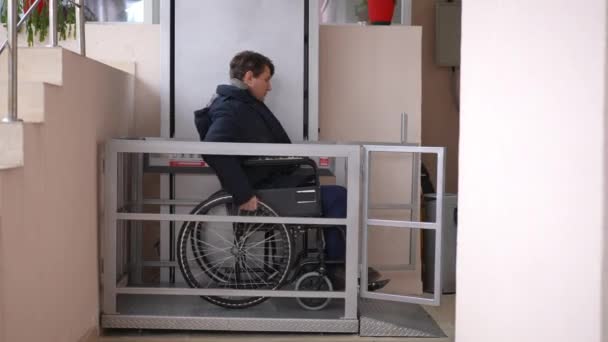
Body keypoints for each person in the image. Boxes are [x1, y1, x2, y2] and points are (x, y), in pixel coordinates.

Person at [194, 50, 388, 290]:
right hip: (265, 192)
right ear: (248, 77)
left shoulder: (239, 104)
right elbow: (213, 149)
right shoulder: (231, 107)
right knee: (338, 197)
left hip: (274, 185)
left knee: (336, 196)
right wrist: (242, 194)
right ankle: (338, 268)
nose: (270, 87)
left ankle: (336, 265)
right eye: (266, 79)